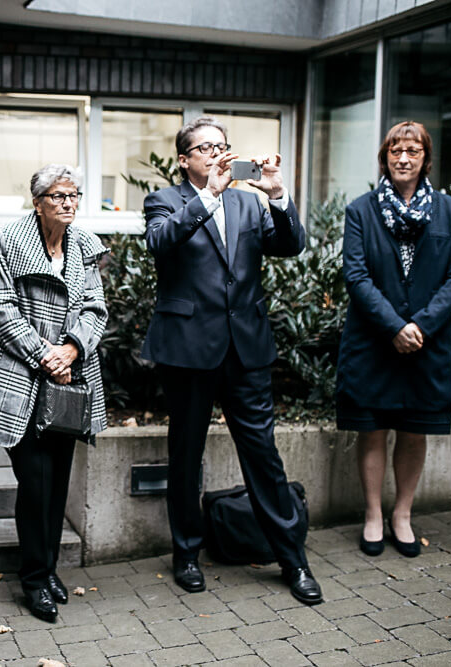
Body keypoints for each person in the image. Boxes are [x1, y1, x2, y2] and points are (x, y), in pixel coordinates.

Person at [142, 116, 322, 605]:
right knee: (185, 454)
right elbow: (160, 242)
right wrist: (208, 197)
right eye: (205, 148)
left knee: (262, 454)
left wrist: (279, 194)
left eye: (222, 146)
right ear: (184, 159)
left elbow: (290, 245)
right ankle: (185, 553)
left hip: (246, 347)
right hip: (188, 349)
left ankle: (293, 559)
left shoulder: (249, 201)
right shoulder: (165, 200)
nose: (216, 154)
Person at [0, 164, 108, 622]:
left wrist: (71, 350)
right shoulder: (10, 241)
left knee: (57, 484)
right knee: (34, 485)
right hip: (23, 375)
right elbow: (0, 305)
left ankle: (48, 569)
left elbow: (96, 306)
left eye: (74, 194)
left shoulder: (86, 246)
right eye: (58, 196)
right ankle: (33, 580)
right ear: (38, 202)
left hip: (70, 379)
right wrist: (45, 355)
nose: (68, 203)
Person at [337, 121, 451, 558]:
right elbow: (355, 275)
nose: (403, 158)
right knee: (372, 430)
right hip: (374, 341)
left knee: (415, 431)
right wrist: (394, 326)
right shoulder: (361, 210)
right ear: (385, 157)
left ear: (425, 159)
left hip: (427, 345)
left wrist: (421, 327)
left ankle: (402, 516)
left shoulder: (449, 211)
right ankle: (374, 515)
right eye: (395, 150)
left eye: (413, 151)